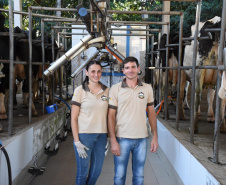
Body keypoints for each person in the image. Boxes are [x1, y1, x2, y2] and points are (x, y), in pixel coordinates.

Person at [108, 56, 158, 185]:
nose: (130, 70)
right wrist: (113, 140)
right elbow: (110, 116)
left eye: (133, 67)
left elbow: (151, 113)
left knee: (139, 176)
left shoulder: (147, 88)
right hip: (122, 138)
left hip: (142, 139)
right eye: (127, 68)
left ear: (138, 69)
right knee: (119, 176)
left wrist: (155, 137)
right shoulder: (115, 89)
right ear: (123, 70)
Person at [71, 60, 109, 185]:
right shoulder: (80, 91)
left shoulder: (107, 91)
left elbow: (110, 115)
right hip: (84, 137)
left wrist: (109, 137)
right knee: (82, 173)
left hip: (101, 136)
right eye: (93, 71)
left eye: (98, 71)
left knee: (96, 172)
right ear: (87, 73)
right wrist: (77, 141)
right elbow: (74, 118)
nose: (96, 74)